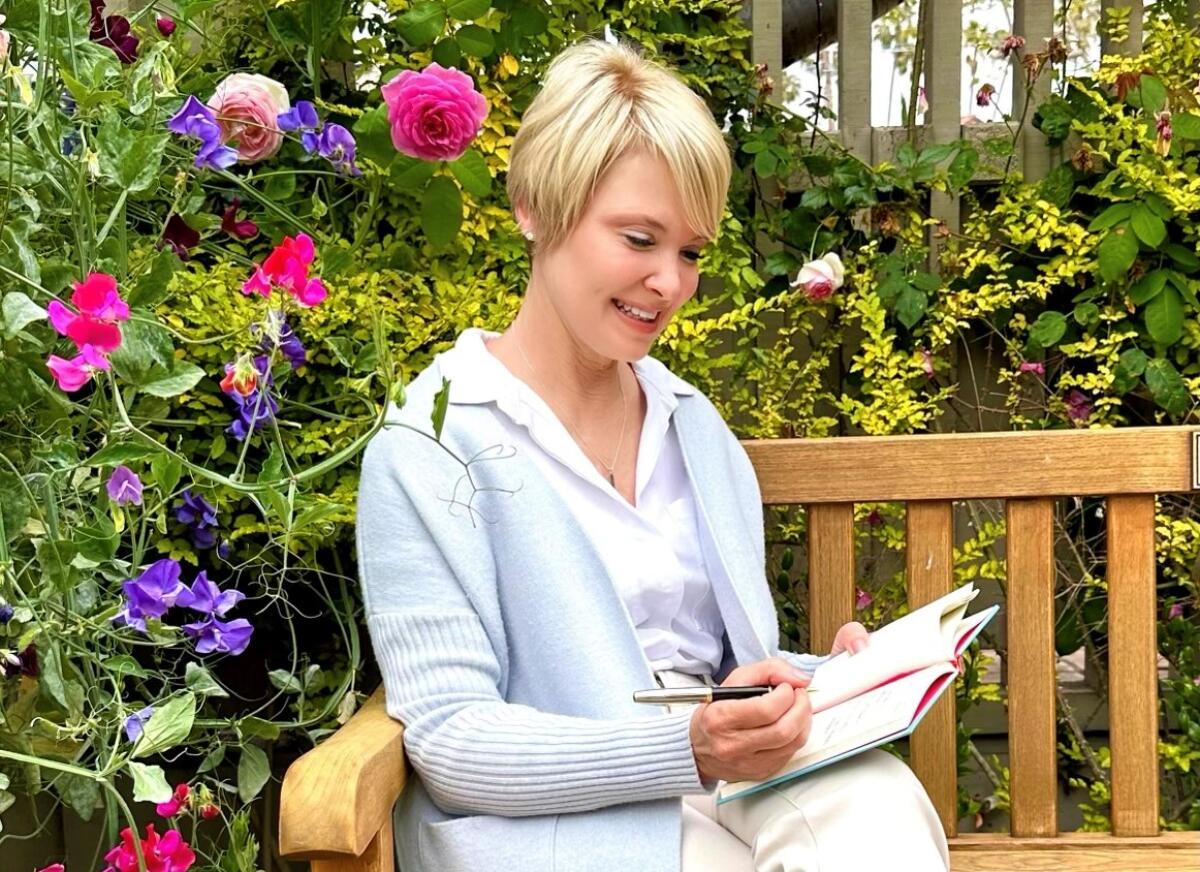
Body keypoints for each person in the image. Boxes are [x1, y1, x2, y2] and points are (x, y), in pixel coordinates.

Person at [356, 36, 950, 872]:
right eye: (639, 239)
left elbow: (714, 678)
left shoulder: (690, 425)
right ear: (535, 205)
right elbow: (453, 743)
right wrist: (688, 752)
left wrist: (827, 680)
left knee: (877, 804)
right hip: (559, 827)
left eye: (691, 252)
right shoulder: (430, 445)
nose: (669, 282)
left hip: (720, 785)